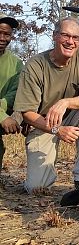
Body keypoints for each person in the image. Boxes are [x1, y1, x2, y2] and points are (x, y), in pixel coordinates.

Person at [14, 17, 79, 193]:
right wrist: (57, 130)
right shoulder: (35, 65)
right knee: (36, 188)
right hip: (43, 123)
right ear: (55, 36)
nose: (70, 42)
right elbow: (27, 113)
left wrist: (66, 102)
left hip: (71, 117)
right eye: (65, 36)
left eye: (75, 37)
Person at [0, 13, 23, 173]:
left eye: (7, 34)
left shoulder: (16, 64)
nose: (2, 38)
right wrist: (2, 116)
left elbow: (15, 94)